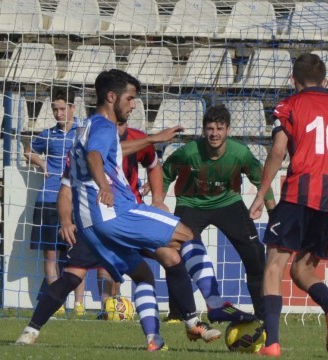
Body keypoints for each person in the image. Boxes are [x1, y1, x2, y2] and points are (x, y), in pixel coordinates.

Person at [15, 69, 210, 351]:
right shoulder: (104, 129)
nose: (133, 105)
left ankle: (153, 339)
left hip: (90, 226)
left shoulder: (83, 132)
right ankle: (210, 311)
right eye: (130, 99)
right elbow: (97, 156)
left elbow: (70, 181)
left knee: (139, 274)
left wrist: (68, 219)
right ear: (111, 97)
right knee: (186, 235)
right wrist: (103, 185)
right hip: (115, 215)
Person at [249, 53, 328, 357]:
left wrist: (262, 193)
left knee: (274, 266)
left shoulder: (290, 106)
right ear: (325, 80)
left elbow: (278, 151)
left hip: (299, 193)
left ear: (293, 80)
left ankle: (271, 342)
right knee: (302, 270)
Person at [162, 104, 274, 322]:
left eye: (219, 128)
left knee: (255, 256)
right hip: (191, 203)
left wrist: (274, 216)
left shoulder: (240, 153)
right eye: (210, 128)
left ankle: (263, 314)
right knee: (174, 252)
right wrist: (159, 200)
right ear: (204, 130)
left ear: (228, 130)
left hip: (228, 203)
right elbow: (165, 173)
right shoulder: (189, 152)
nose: (214, 133)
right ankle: (178, 313)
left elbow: (263, 182)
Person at [24, 88, 84, 317]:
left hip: (75, 201)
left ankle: (79, 304)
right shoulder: (48, 134)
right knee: (50, 254)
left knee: (77, 254)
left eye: (62, 109)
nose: (58, 114)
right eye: (54, 109)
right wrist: (42, 164)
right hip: (48, 198)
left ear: (72, 108)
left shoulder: (83, 131)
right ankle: (54, 303)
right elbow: (28, 151)